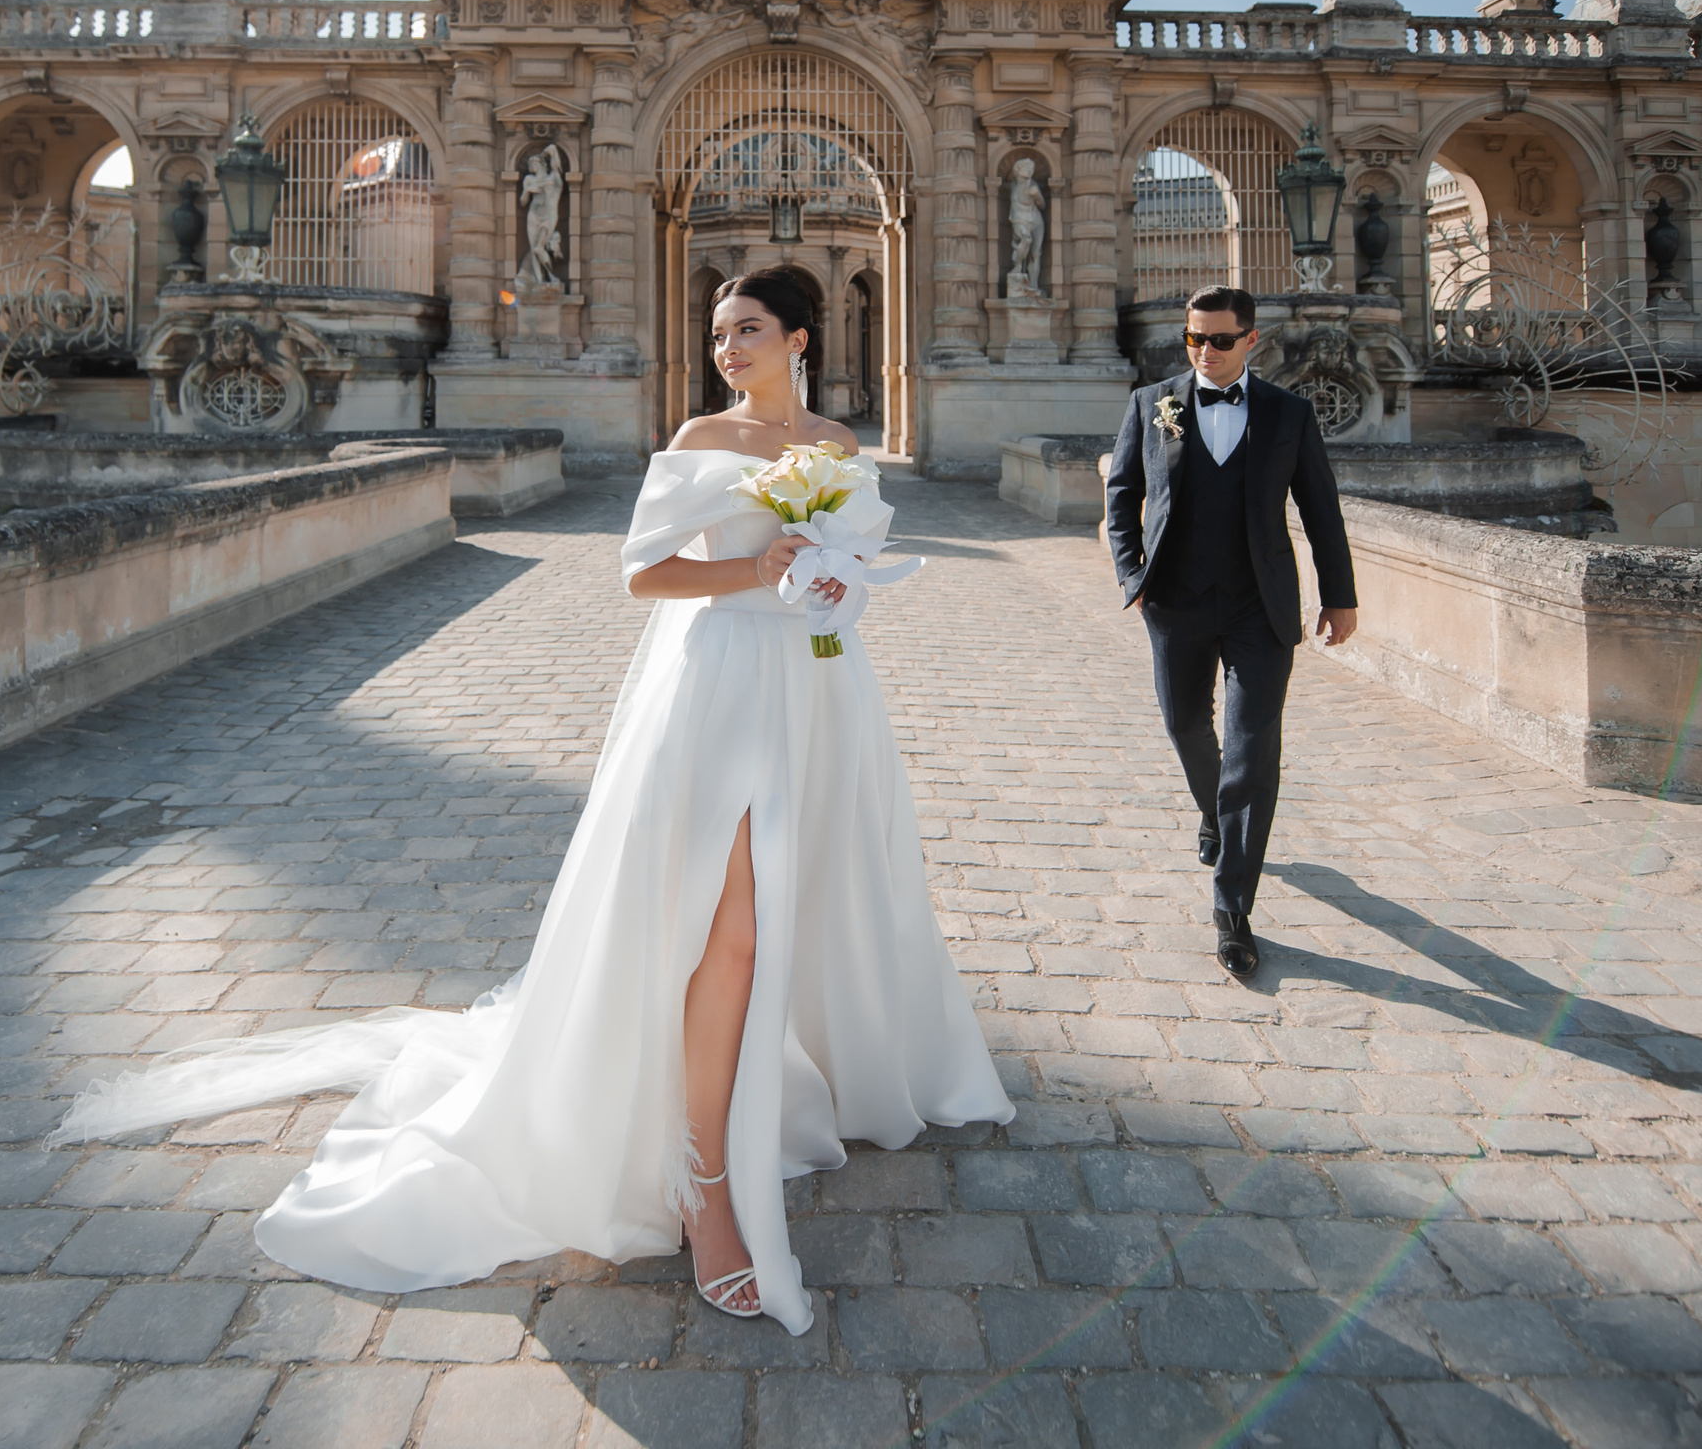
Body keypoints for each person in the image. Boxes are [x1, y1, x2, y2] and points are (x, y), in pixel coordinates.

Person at [55, 267, 1009, 1331]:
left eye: (748, 330)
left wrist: (829, 577)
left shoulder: (836, 448)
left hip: (819, 691)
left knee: (797, 910)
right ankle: (704, 1188)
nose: (727, 348)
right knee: (727, 929)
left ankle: (762, 1100)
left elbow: (851, 571)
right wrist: (757, 571)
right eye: (716, 332)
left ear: (798, 337)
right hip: (719, 690)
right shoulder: (702, 437)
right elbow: (645, 575)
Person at [1103, 285, 1358, 981]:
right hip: (1175, 601)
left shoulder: (1289, 414)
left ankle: (1233, 907)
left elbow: (1321, 509)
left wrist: (1340, 597)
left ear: (1252, 340)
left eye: (1219, 340)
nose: (1205, 352)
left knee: (1253, 750)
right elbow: (1122, 494)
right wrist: (1134, 575)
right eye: (1194, 339)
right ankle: (1216, 814)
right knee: (1186, 725)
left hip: (1260, 605)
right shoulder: (1150, 405)